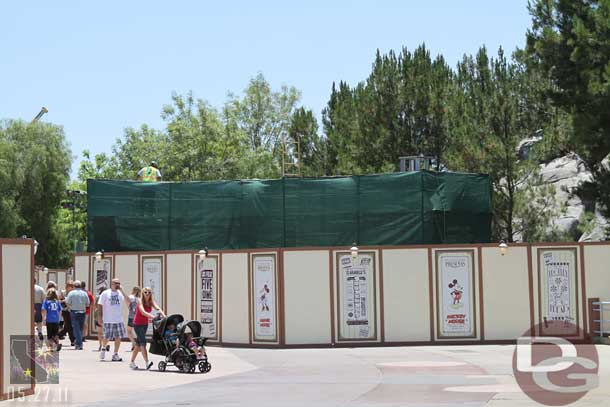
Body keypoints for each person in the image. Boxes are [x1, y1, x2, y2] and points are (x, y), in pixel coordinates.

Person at [130, 286, 165, 370]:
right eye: (145, 292)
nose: (147, 294)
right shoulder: (139, 300)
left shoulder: (151, 301)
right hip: (137, 324)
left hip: (144, 324)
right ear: (142, 293)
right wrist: (153, 317)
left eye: (149, 292)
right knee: (143, 342)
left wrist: (164, 315)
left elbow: (158, 308)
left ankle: (132, 362)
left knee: (138, 344)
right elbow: (143, 312)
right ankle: (147, 362)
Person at [97, 278, 130, 361]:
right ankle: (103, 348)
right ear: (111, 284)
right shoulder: (105, 293)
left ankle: (115, 354)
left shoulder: (120, 293)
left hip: (118, 319)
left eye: (118, 283)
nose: (117, 284)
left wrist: (122, 291)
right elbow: (100, 305)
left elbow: (128, 302)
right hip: (108, 319)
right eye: (115, 283)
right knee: (106, 337)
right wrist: (99, 317)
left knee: (118, 337)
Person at [65, 280, 90, 350]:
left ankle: (79, 344)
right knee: (80, 328)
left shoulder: (71, 293)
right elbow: (87, 304)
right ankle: (78, 342)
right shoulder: (84, 293)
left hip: (74, 312)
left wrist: (70, 308)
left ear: (74, 286)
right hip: (82, 312)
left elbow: (67, 302)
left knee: (76, 328)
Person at [127, 286, 142, 351]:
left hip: (131, 316)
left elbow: (128, 304)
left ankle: (134, 343)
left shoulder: (131, 297)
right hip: (138, 317)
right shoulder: (140, 298)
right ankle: (139, 345)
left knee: (129, 331)